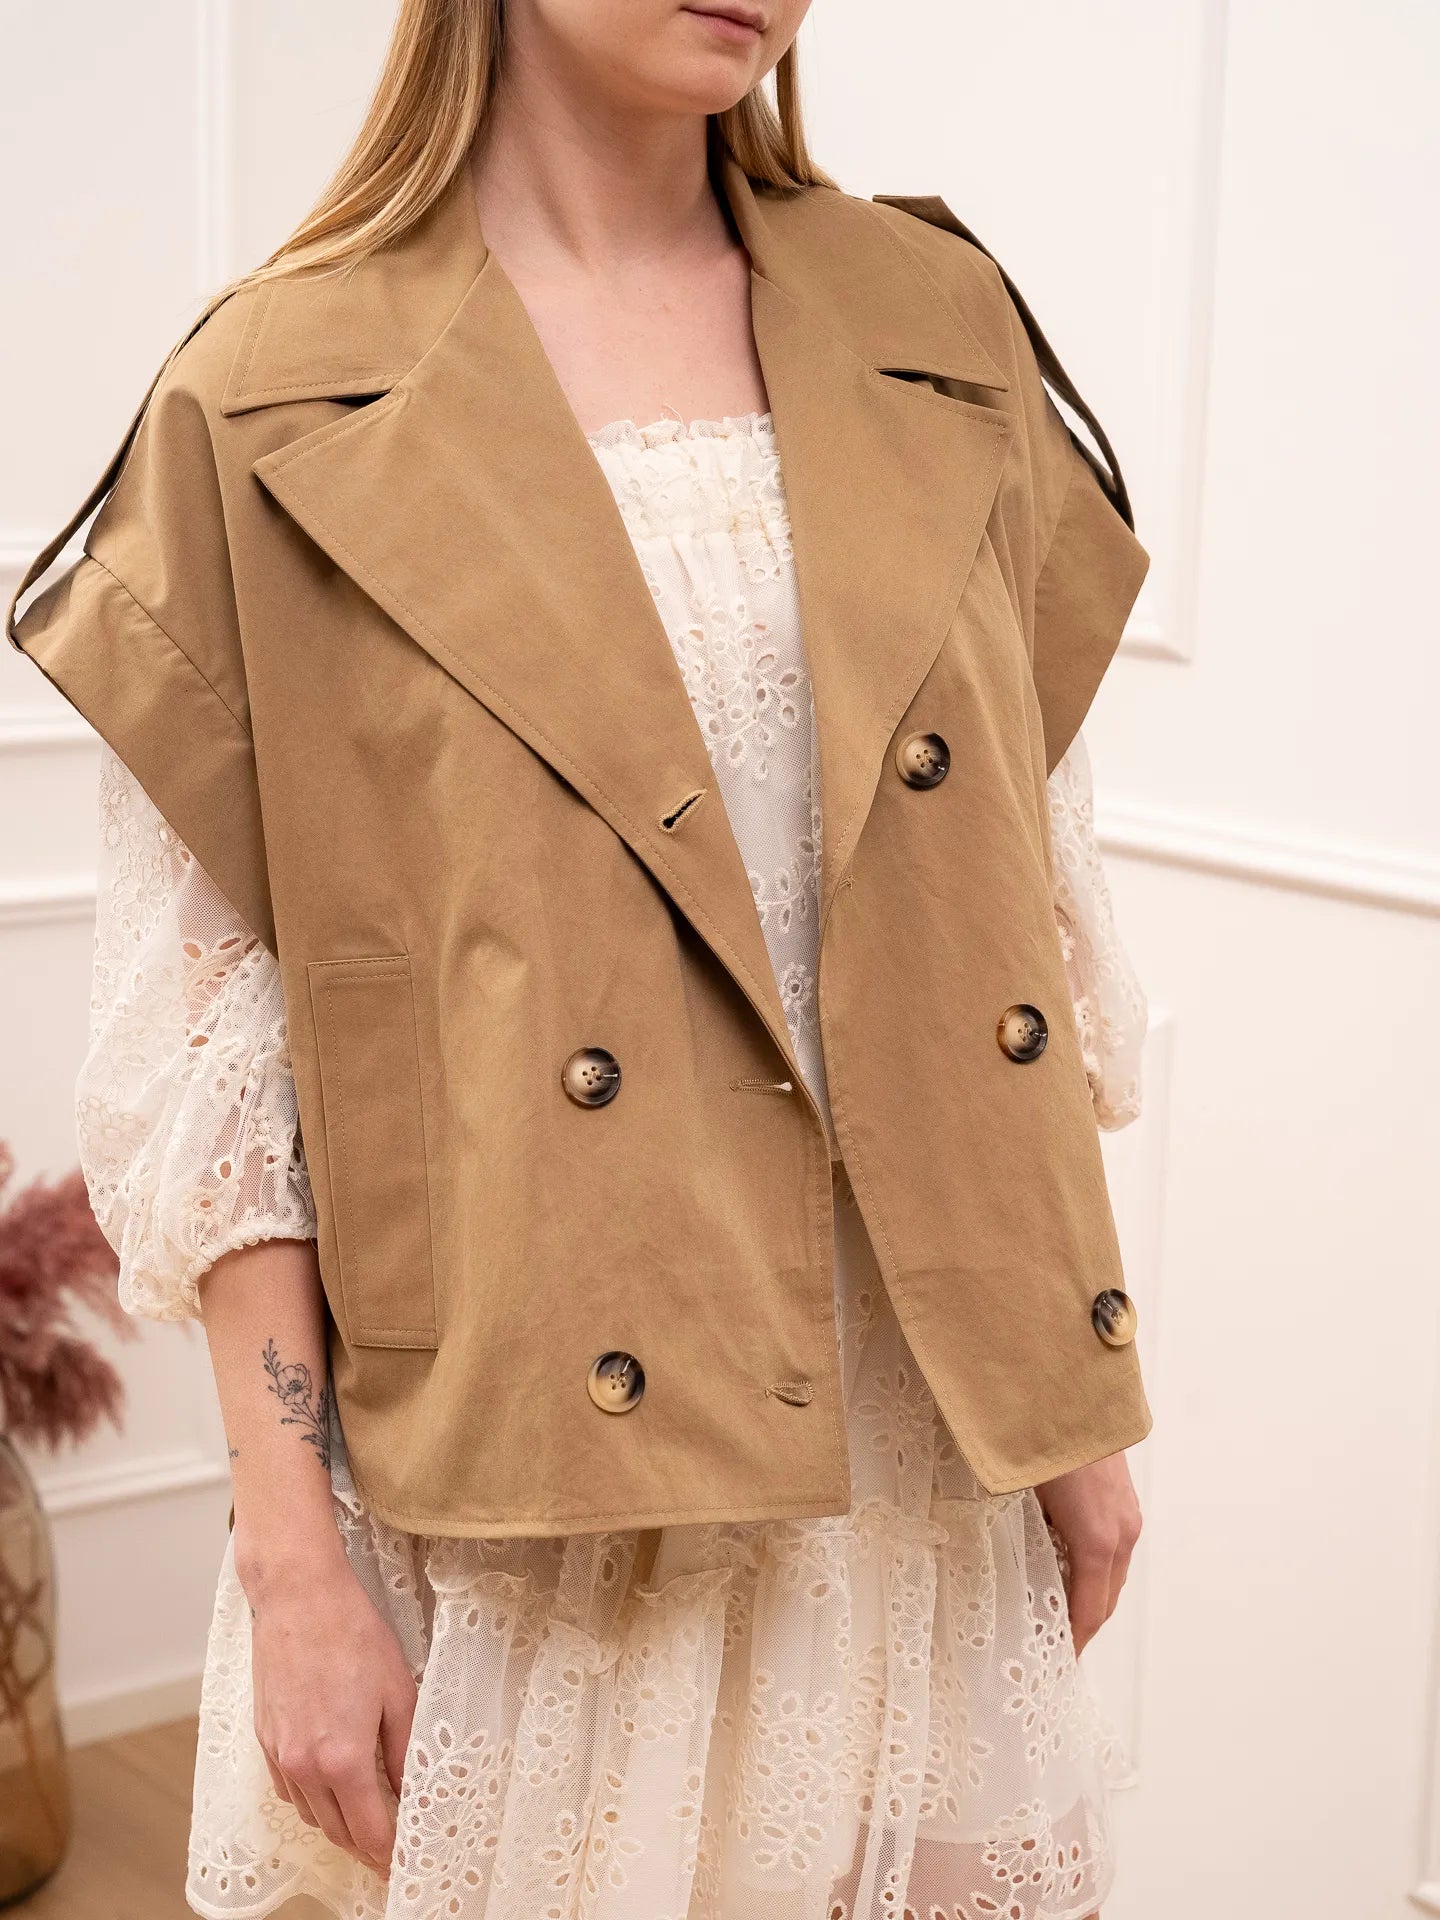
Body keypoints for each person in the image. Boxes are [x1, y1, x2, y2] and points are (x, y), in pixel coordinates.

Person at [7, 2, 1153, 1914]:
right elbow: (230, 1068)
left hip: (917, 1454)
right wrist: (293, 1565)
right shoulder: (270, 396)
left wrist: (1070, 1415)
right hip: (543, 1484)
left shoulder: (937, 325)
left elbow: (1004, 922)